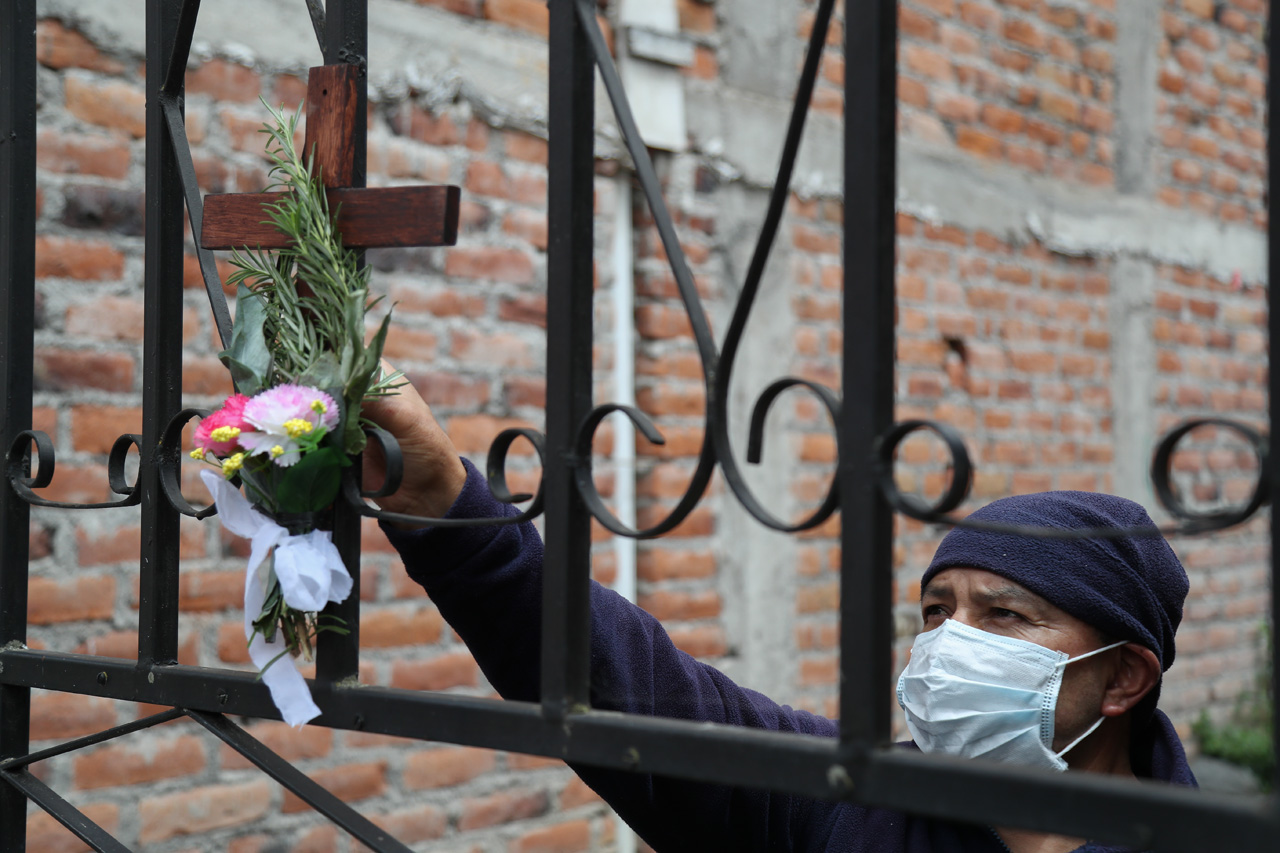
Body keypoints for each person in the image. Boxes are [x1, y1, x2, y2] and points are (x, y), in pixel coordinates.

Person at [362, 379, 1196, 853]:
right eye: (936, 611)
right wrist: (449, 507)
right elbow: (645, 695)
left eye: (1007, 615)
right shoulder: (854, 806)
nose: (950, 643)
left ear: (1124, 675)